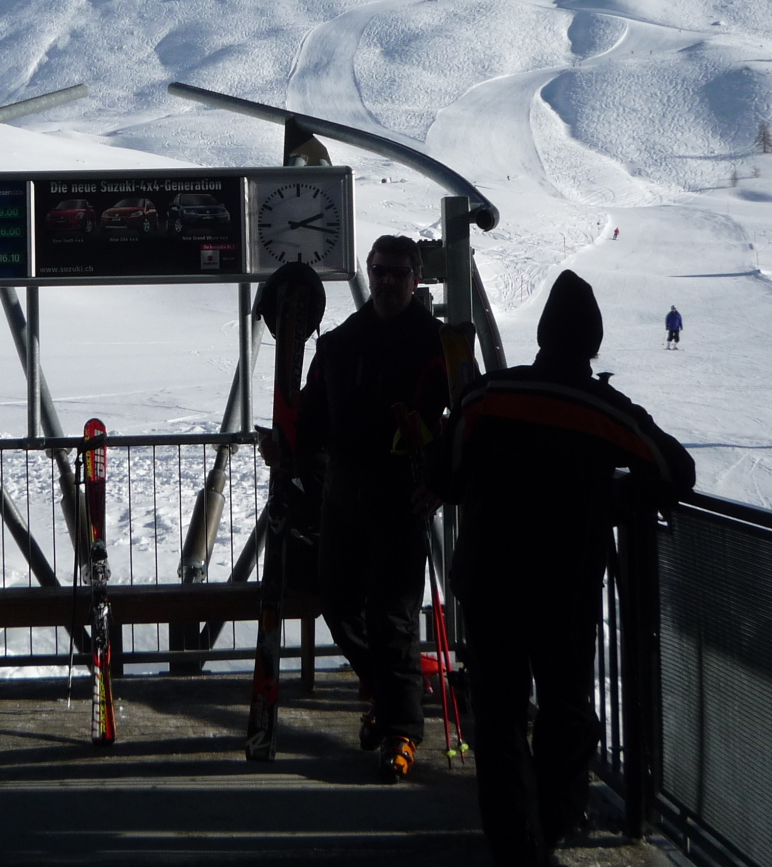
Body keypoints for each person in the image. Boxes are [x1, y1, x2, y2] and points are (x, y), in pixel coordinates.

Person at [435, 271, 694, 865]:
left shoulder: (488, 394)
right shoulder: (603, 408)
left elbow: (445, 474)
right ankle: (551, 824)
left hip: (488, 580)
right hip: (565, 588)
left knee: (498, 713)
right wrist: (619, 497)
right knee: (565, 708)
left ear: (544, 335)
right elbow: (675, 470)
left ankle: (515, 844)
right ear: (593, 342)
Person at [294, 234, 454, 783]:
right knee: (339, 604)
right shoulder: (340, 343)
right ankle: (390, 703)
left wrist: (441, 481)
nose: (387, 281)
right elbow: (312, 420)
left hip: (401, 496)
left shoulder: (437, 345)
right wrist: (291, 450)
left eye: (398, 272)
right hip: (344, 495)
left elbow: (466, 417)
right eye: (379, 271)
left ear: (415, 278)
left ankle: (401, 729)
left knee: (392, 615)